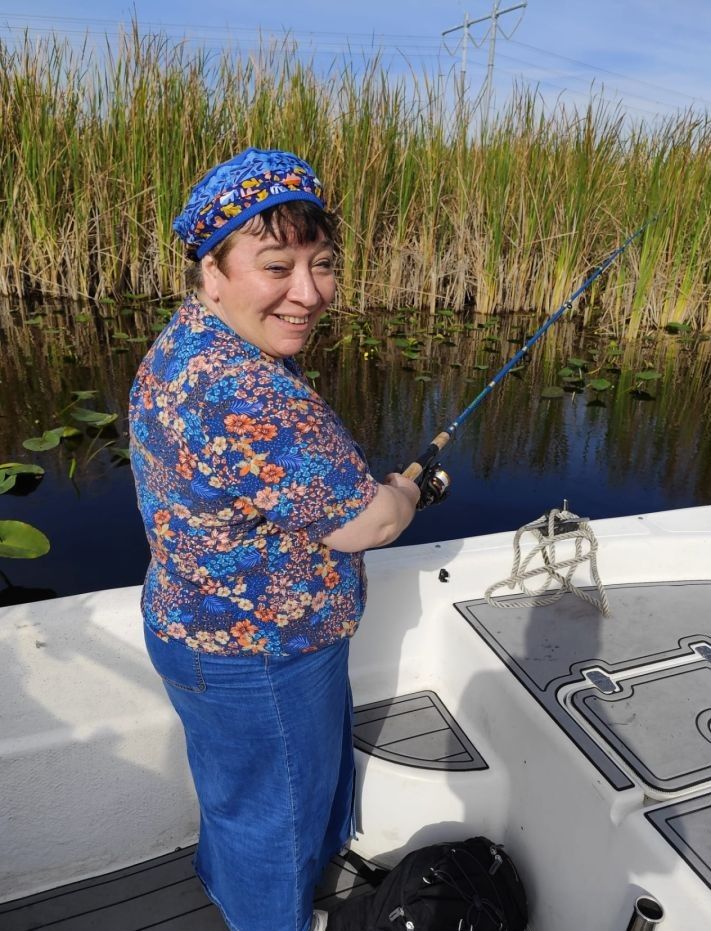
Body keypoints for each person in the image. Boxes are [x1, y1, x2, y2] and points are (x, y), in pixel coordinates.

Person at [129, 147, 421, 931]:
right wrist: (409, 488)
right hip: (263, 652)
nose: (308, 291)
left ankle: (231, 888)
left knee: (239, 798)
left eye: (321, 263)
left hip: (192, 626)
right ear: (212, 269)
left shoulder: (189, 345)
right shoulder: (246, 391)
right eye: (275, 265)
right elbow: (374, 521)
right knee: (278, 818)